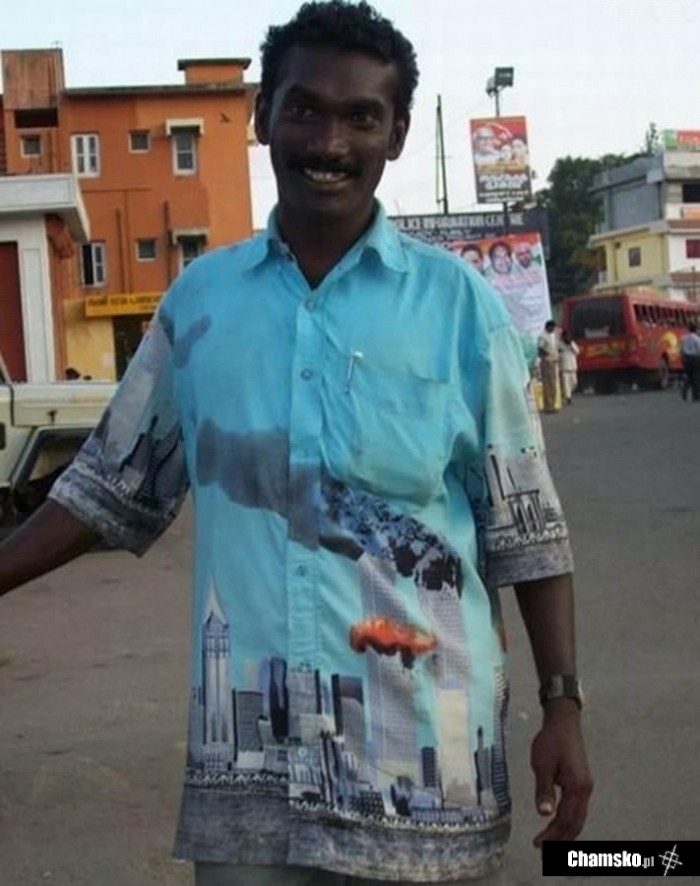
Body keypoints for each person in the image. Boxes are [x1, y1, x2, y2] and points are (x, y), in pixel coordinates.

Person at [0, 3, 591, 885]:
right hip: (254, 797)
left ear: (396, 135)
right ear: (262, 117)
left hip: (425, 788)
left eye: (362, 117)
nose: (330, 142)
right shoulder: (201, 305)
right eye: (305, 109)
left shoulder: (459, 307)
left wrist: (562, 704)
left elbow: (525, 529)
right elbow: (104, 489)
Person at [537, 320, 561, 413]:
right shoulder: (543, 336)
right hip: (547, 362)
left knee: (553, 384)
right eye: (553, 328)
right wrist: (547, 355)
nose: (553, 329)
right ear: (548, 327)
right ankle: (548, 406)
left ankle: (552, 405)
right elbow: (540, 349)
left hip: (553, 362)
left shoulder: (552, 336)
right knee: (548, 385)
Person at [680, 320, 700, 402]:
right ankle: (696, 395)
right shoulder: (697, 339)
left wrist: (682, 358)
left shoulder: (684, 338)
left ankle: (684, 390)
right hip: (695, 358)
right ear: (696, 330)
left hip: (686, 358)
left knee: (688, 375)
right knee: (696, 377)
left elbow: (681, 349)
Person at [558, 331, 580, 405]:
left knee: (574, 383)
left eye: (569, 337)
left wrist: (571, 344)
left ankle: (567, 393)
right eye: (566, 337)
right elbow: (557, 353)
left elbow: (577, 352)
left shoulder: (572, 343)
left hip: (573, 367)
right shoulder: (559, 344)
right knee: (566, 384)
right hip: (564, 367)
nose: (567, 338)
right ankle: (568, 397)